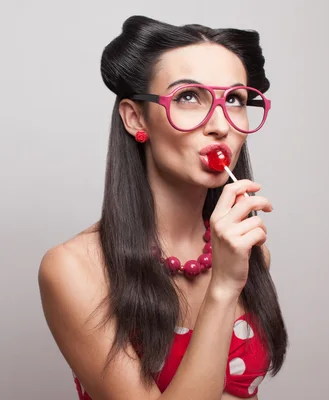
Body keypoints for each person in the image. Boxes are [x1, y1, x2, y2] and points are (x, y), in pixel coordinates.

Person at [38, 15, 288, 400]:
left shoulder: (249, 255)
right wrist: (222, 286)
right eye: (189, 97)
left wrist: (229, 272)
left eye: (234, 100)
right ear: (136, 117)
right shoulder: (73, 269)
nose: (221, 124)